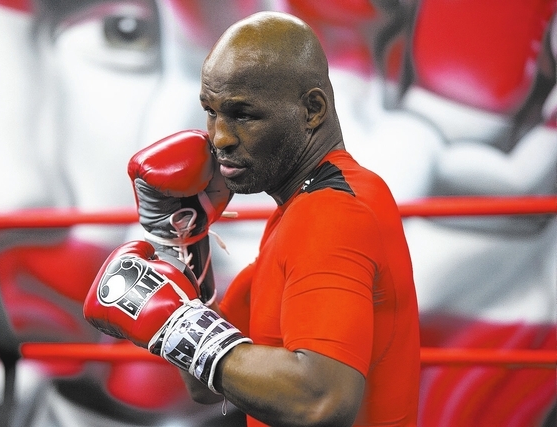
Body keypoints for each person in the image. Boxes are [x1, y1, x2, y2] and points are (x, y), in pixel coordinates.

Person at [84, 10, 420, 427]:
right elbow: (205, 384)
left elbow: (321, 401)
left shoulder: (331, 213)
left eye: (243, 114)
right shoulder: (306, 207)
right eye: (211, 111)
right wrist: (184, 242)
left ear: (312, 108)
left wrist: (173, 324)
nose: (219, 137)